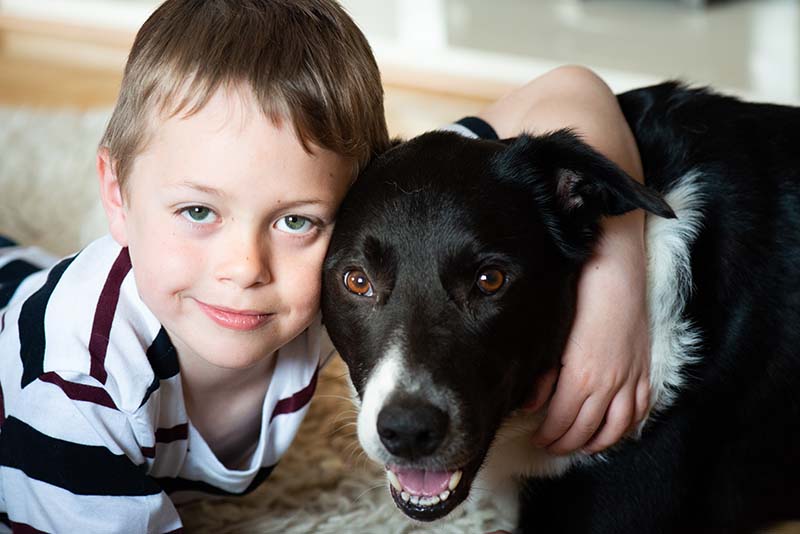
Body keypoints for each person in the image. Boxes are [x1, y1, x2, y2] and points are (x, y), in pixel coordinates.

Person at [0, 0, 648, 531]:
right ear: (115, 194)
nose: (244, 266)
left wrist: (616, 297)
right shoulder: (73, 397)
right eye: (198, 211)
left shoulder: (331, 271)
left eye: (295, 220)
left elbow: (571, 89)